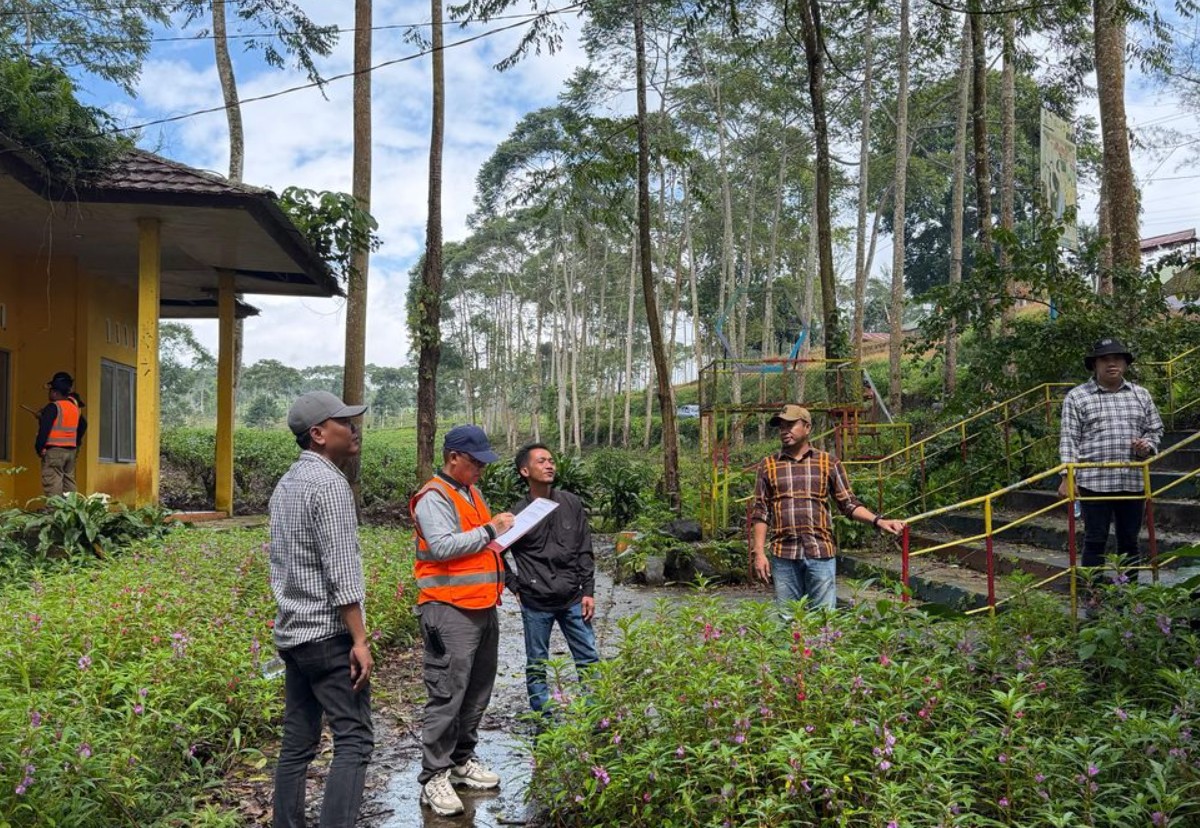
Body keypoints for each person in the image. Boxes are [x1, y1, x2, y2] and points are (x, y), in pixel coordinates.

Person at [269, 391, 374, 828]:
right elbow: (341, 570)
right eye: (343, 422)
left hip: (294, 635)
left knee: (298, 743)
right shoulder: (330, 484)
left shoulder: (287, 483)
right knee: (354, 739)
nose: (353, 429)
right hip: (328, 637)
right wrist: (359, 638)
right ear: (317, 434)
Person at [410, 424, 515, 817]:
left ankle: (460, 759)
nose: (481, 471)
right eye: (476, 463)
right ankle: (433, 776)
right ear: (454, 458)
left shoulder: (469, 490)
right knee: (447, 691)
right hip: (448, 609)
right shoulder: (433, 496)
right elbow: (441, 546)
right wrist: (492, 529)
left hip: (481, 605)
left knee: (477, 690)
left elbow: (481, 543)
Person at [750, 404, 906, 610]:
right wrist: (759, 553)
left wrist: (879, 521)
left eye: (790, 425)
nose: (784, 431)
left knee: (824, 619)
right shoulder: (768, 465)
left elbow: (848, 504)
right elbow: (761, 512)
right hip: (784, 554)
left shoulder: (828, 463)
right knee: (787, 619)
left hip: (820, 552)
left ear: (807, 427)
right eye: (781, 427)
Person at [505, 443, 599, 715]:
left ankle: (597, 716)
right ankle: (543, 720)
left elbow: (584, 548)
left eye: (551, 460)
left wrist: (588, 590)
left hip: (573, 597)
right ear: (525, 470)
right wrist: (514, 586)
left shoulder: (570, 503)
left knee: (589, 659)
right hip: (536, 603)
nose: (550, 465)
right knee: (537, 663)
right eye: (541, 461)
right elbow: (495, 554)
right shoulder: (517, 515)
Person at [1057, 337, 1163, 572]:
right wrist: (1067, 476)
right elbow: (1069, 438)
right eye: (1104, 359)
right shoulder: (1077, 397)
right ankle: (1093, 597)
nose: (1111, 363)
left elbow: (1155, 429)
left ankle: (1130, 598)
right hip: (1094, 481)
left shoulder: (1141, 395)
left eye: (1117, 358)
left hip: (1132, 479)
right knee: (1095, 541)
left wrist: (1146, 444)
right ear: (1094, 365)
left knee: (1130, 542)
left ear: (1125, 364)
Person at [35, 371, 87, 498]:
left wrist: (39, 448)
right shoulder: (74, 408)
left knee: (53, 481)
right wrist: (76, 443)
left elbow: (45, 430)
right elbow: (82, 425)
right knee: (69, 480)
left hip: (54, 451)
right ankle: (71, 510)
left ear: (55, 392)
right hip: (70, 451)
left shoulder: (53, 407)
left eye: (50, 391)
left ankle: (54, 512)